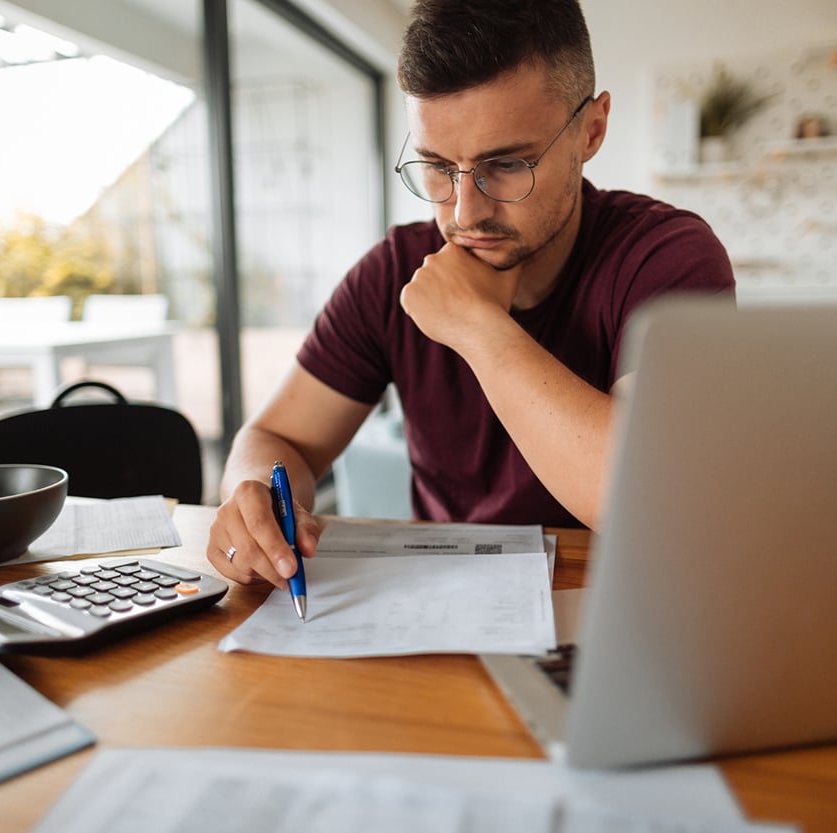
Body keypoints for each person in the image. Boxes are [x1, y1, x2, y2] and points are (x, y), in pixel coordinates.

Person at [208, 0, 734, 589]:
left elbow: (648, 501)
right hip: (447, 610)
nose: (464, 212)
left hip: (619, 607)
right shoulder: (393, 270)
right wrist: (254, 497)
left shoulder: (668, 258)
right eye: (436, 166)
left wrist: (476, 325)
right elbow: (276, 439)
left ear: (592, 130)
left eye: (506, 164)